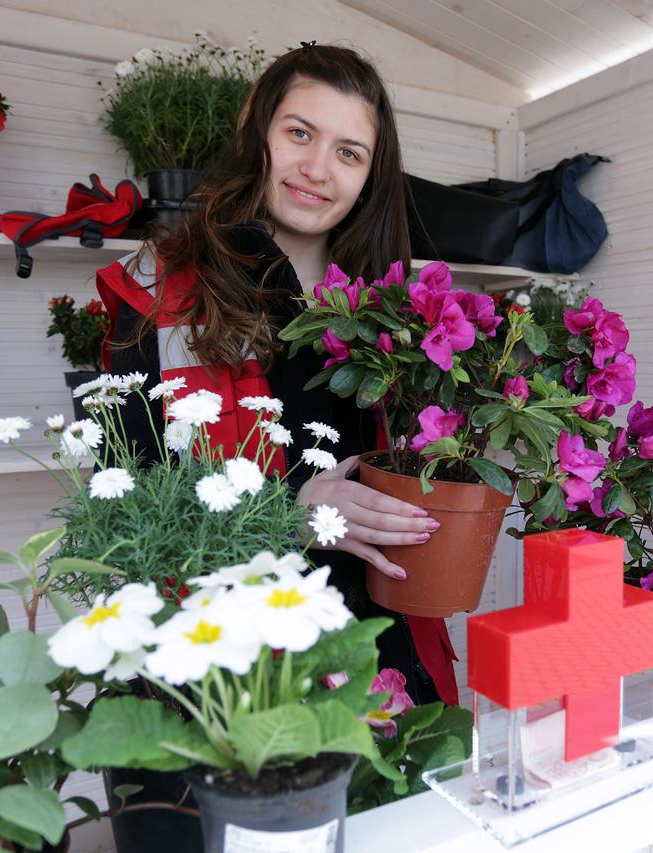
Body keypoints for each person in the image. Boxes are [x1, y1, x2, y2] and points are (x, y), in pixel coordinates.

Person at [94, 42, 459, 707]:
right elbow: (123, 500)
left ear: (371, 178)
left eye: (349, 153)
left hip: (381, 640)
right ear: (256, 133)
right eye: (299, 133)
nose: (317, 169)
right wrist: (291, 510)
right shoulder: (162, 284)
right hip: (234, 664)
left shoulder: (393, 311)